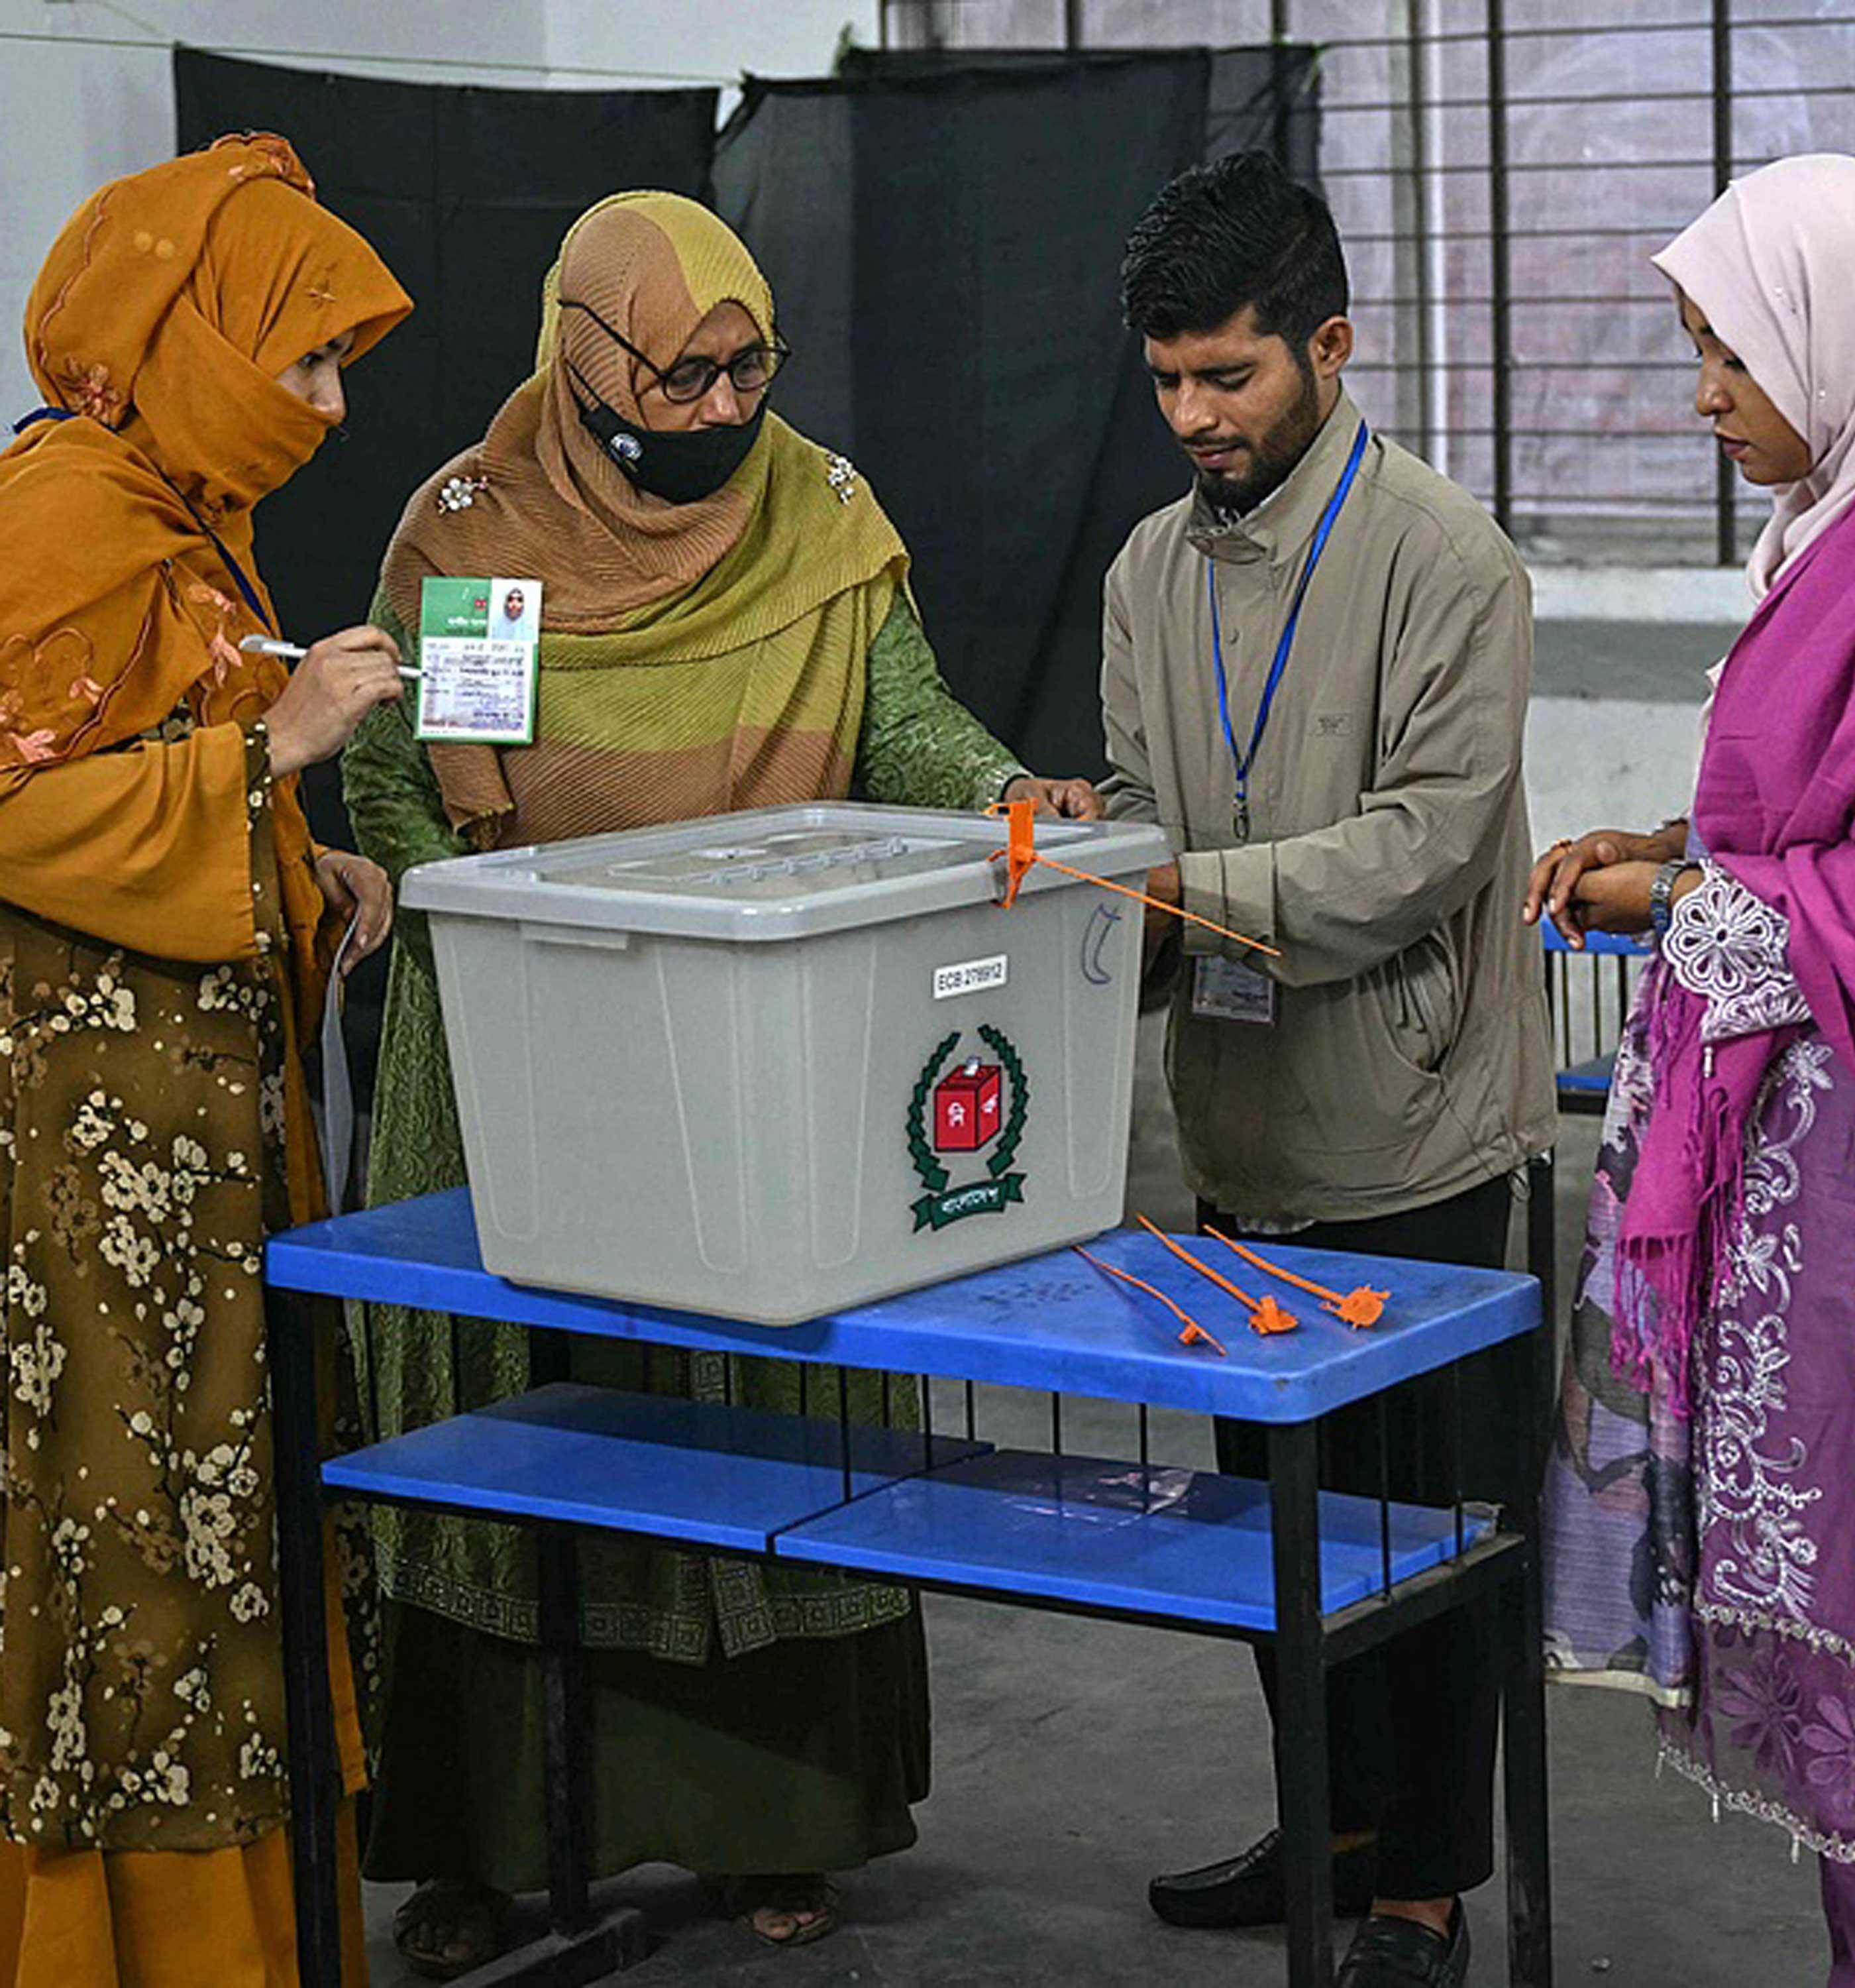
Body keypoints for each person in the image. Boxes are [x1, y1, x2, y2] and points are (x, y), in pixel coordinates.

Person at [343, 190, 1099, 1975]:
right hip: (534, 1035)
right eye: (682, 376)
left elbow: (903, 723)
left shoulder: (819, 517)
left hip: (759, 1033)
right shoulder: (478, 532)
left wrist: (1007, 793)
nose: (720, 409)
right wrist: (497, 927)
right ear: (587, 353)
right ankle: (491, 1843)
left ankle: (781, 1819)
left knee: (757, 1395)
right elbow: (404, 784)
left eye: (749, 369)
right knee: (527, 1414)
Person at [1531, 154, 1855, 1987]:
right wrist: (1682, 847)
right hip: (1847, 1169)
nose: (1703, 396)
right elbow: (1845, 807)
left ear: (1847, 337)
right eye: (1695, 350)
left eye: (1733, 353)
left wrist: (1684, 904)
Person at [1100, 150, 1554, 1988]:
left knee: (1424, 1545)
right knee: (1272, 1533)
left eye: (1230, 375)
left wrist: (1170, 895)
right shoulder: (1149, 571)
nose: (1194, 417)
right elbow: (1138, 802)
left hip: (1416, 1135)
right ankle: (1334, 1830)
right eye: (1167, 382)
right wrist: (1090, 852)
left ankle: (1423, 1893)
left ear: (1332, 346)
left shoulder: (1450, 562)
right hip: (1238, 1135)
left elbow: (1423, 851)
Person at [0, 136, 411, 1987]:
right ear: (190, 341)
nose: (327, 405)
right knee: (127, 1537)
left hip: (198, 1157)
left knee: (215, 1522)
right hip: (88, 1176)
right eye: (301, 358)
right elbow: (19, 812)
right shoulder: (60, 521)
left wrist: (299, 858)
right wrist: (273, 755)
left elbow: (138, 762)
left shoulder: (175, 518)